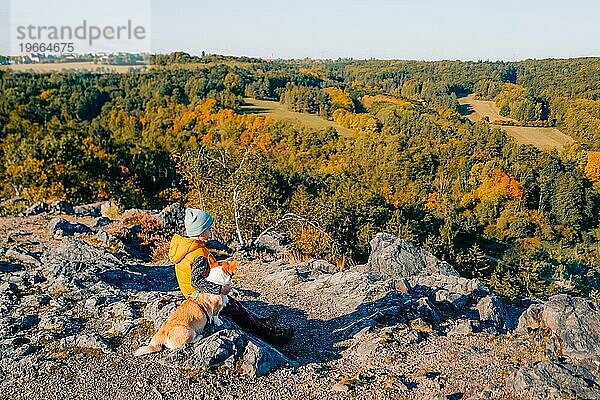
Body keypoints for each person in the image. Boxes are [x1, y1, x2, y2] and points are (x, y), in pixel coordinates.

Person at [168, 207, 294, 345]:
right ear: (201, 232)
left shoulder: (188, 247)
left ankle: (262, 322)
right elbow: (196, 282)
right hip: (201, 298)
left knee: (234, 305)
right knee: (235, 309)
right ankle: (270, 334)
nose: (210, 232)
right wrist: (219, 289)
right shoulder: (198, 254)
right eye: (208, 229)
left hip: (195, 294)